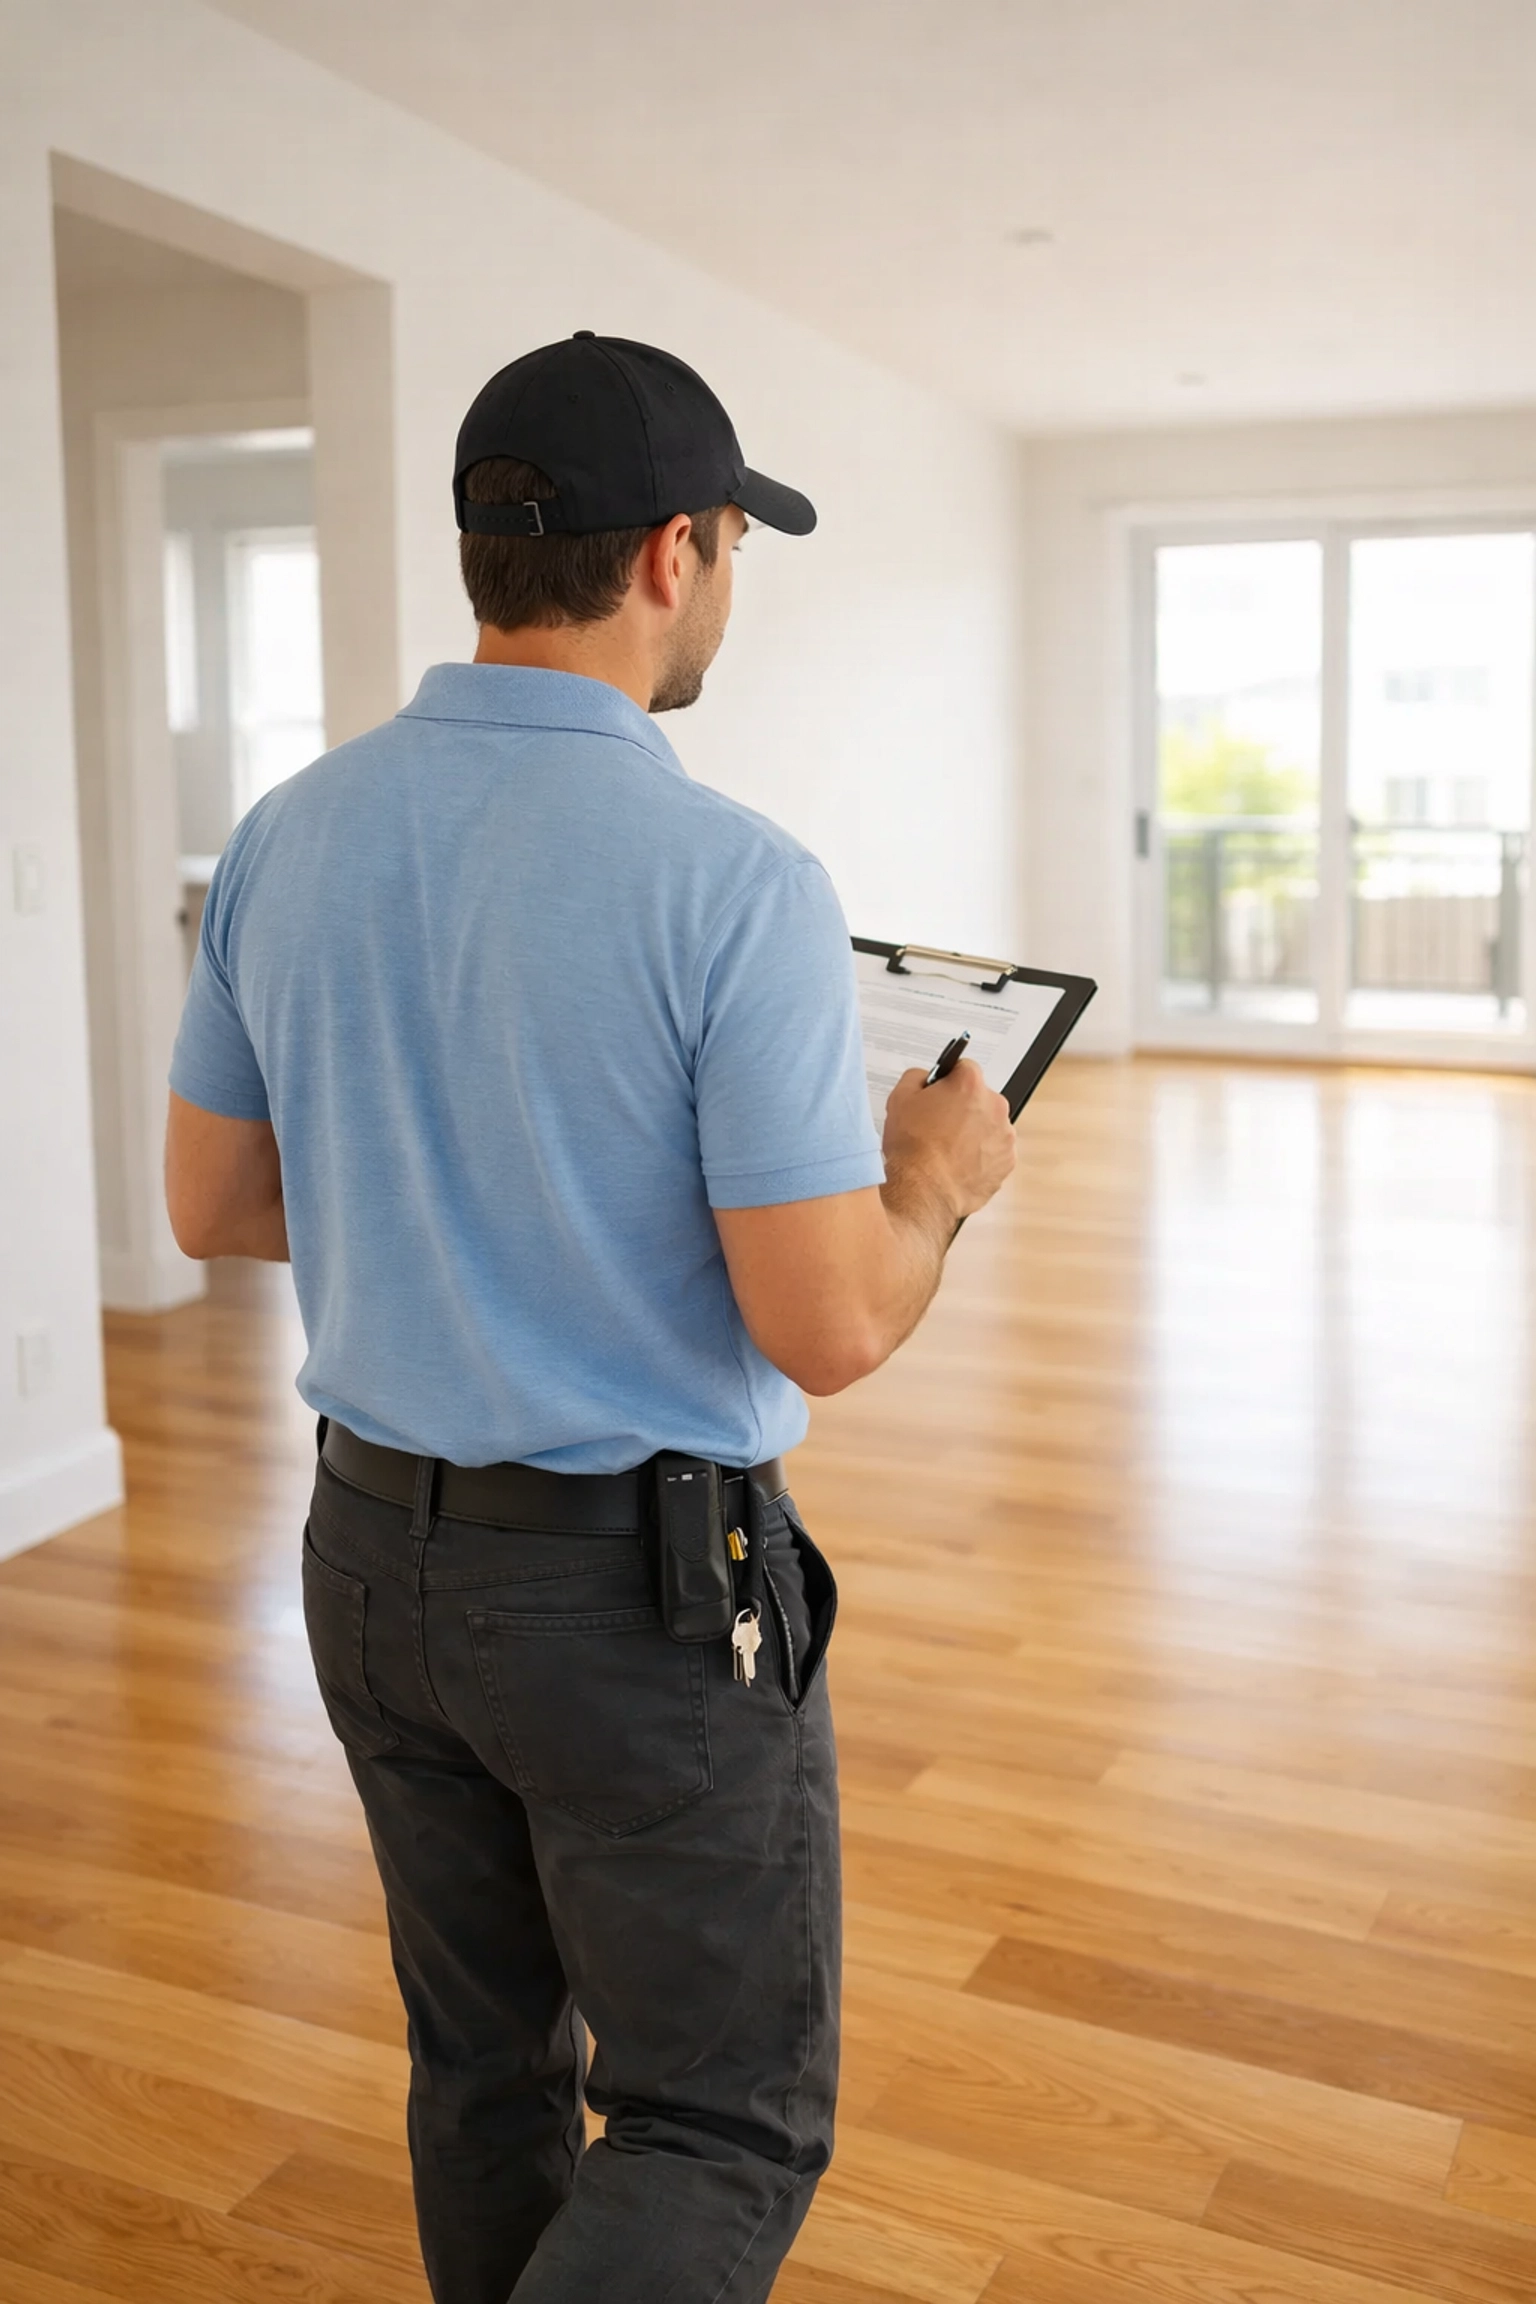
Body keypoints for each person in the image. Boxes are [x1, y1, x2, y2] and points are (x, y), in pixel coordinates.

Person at [164, 332, 1015, 2304]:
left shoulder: (291, 833)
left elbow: (215, 1204)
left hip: (370, 1559)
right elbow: (829, 1325)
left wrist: (455, 1195)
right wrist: (934, 1189)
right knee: (717, 2122)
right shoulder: (733, 881)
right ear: (675, 556)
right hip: (636, 1609)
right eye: (731, 545)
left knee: (483, 2070)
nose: (725, 582)